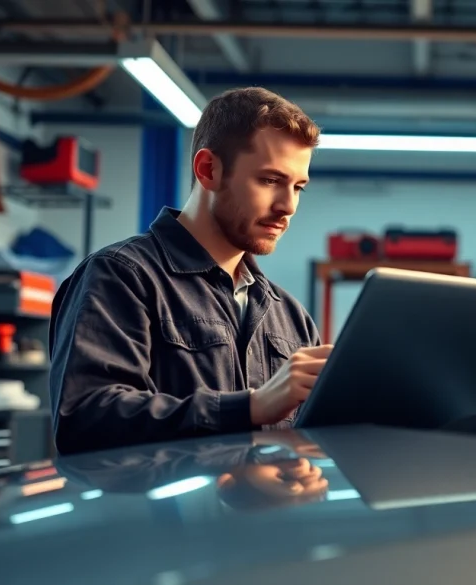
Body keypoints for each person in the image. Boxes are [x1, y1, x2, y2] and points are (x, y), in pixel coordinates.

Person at [48, 87, 332, 455]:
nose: (288, 206)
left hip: (266, 513)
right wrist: (249, 407)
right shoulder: (121, 278)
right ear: (208, 169)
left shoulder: (290, 317)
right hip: (152, 513)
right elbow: (86, 418)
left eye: (298, 187)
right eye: (270, 180)